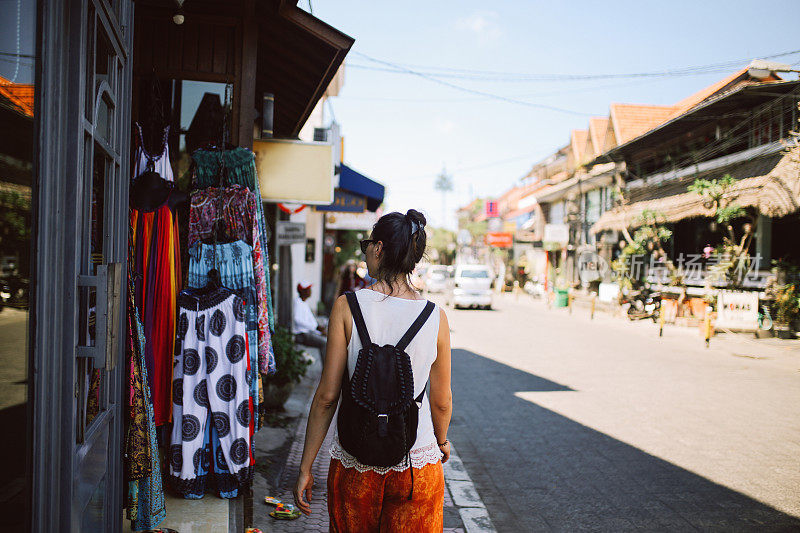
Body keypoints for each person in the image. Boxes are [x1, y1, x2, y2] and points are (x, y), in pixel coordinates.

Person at [293, 209, 453, 532]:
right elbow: (442, 401)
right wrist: (442, 439)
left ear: (378, 249)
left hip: (356, 461)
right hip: (415, 465)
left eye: (367, 243)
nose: (366, 250)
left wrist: (306, 466)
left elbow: (327, 397)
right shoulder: (436, 317)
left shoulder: (346, 307)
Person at [293, 280, 327, 360]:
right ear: (303, 291)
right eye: (308, 289)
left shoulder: (303, 303)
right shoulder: (298, 303)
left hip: (307, 332)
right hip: (301, 334)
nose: (310, 291)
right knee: (324, 343)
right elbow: (297, 319)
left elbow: (312, 323)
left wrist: (319, 330)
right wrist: (316, 327)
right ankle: (326, 370)